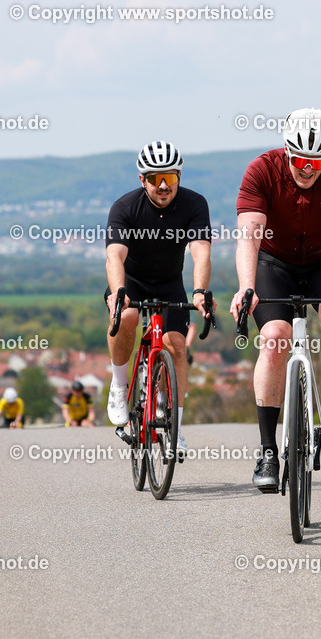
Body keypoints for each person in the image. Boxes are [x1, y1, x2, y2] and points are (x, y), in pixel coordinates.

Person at [228, 108, 321, 492]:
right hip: (275, 263)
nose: (307, 169)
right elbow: (249, 237)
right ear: (287, 151)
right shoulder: (261, 170)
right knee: (273, 338)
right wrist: (245, 287)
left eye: (317, 161)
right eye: (300, 160)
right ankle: (268, 450)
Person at [104, 141, 214, 456]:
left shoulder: (194, 204)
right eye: (155, 179)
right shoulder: (125, 208)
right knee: (125, 317)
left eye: (169, 177)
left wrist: (199, 292)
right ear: (143, 180)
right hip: (132, 283)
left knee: (177, 346)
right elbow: (115, 256)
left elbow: (200, 251)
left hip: (170, 284)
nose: (163, 186)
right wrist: (118, 292)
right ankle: (119, 385)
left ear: (178, 176)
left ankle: (175, 427)